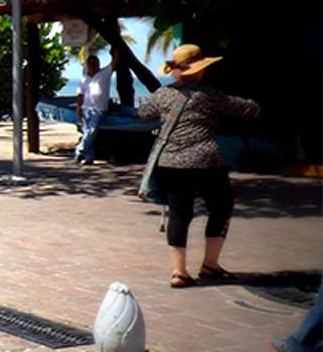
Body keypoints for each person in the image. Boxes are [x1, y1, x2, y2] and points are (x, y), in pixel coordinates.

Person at [137, 44, 259, 288]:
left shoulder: (164, 94)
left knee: (179, 213)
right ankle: (210, 264)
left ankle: (179, 271)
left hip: (170, 162)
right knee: (221, 206)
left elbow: (143, 112)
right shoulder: (209, 95)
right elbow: (246, 109)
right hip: (206, 162)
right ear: (200, 69)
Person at [74, 55, 115, 165]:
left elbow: (115, 61)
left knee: (91, 131)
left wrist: (117, 49)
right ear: (87, 65)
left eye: (95, 63)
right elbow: (80, 95)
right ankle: (89, 157)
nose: (92, 65)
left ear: (98, 64)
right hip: (85, 109)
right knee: (87, 133)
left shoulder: (105, 73)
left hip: (98, 109)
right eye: (90, 63)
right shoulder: (84, 78)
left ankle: (80, 150)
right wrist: (78, 108)